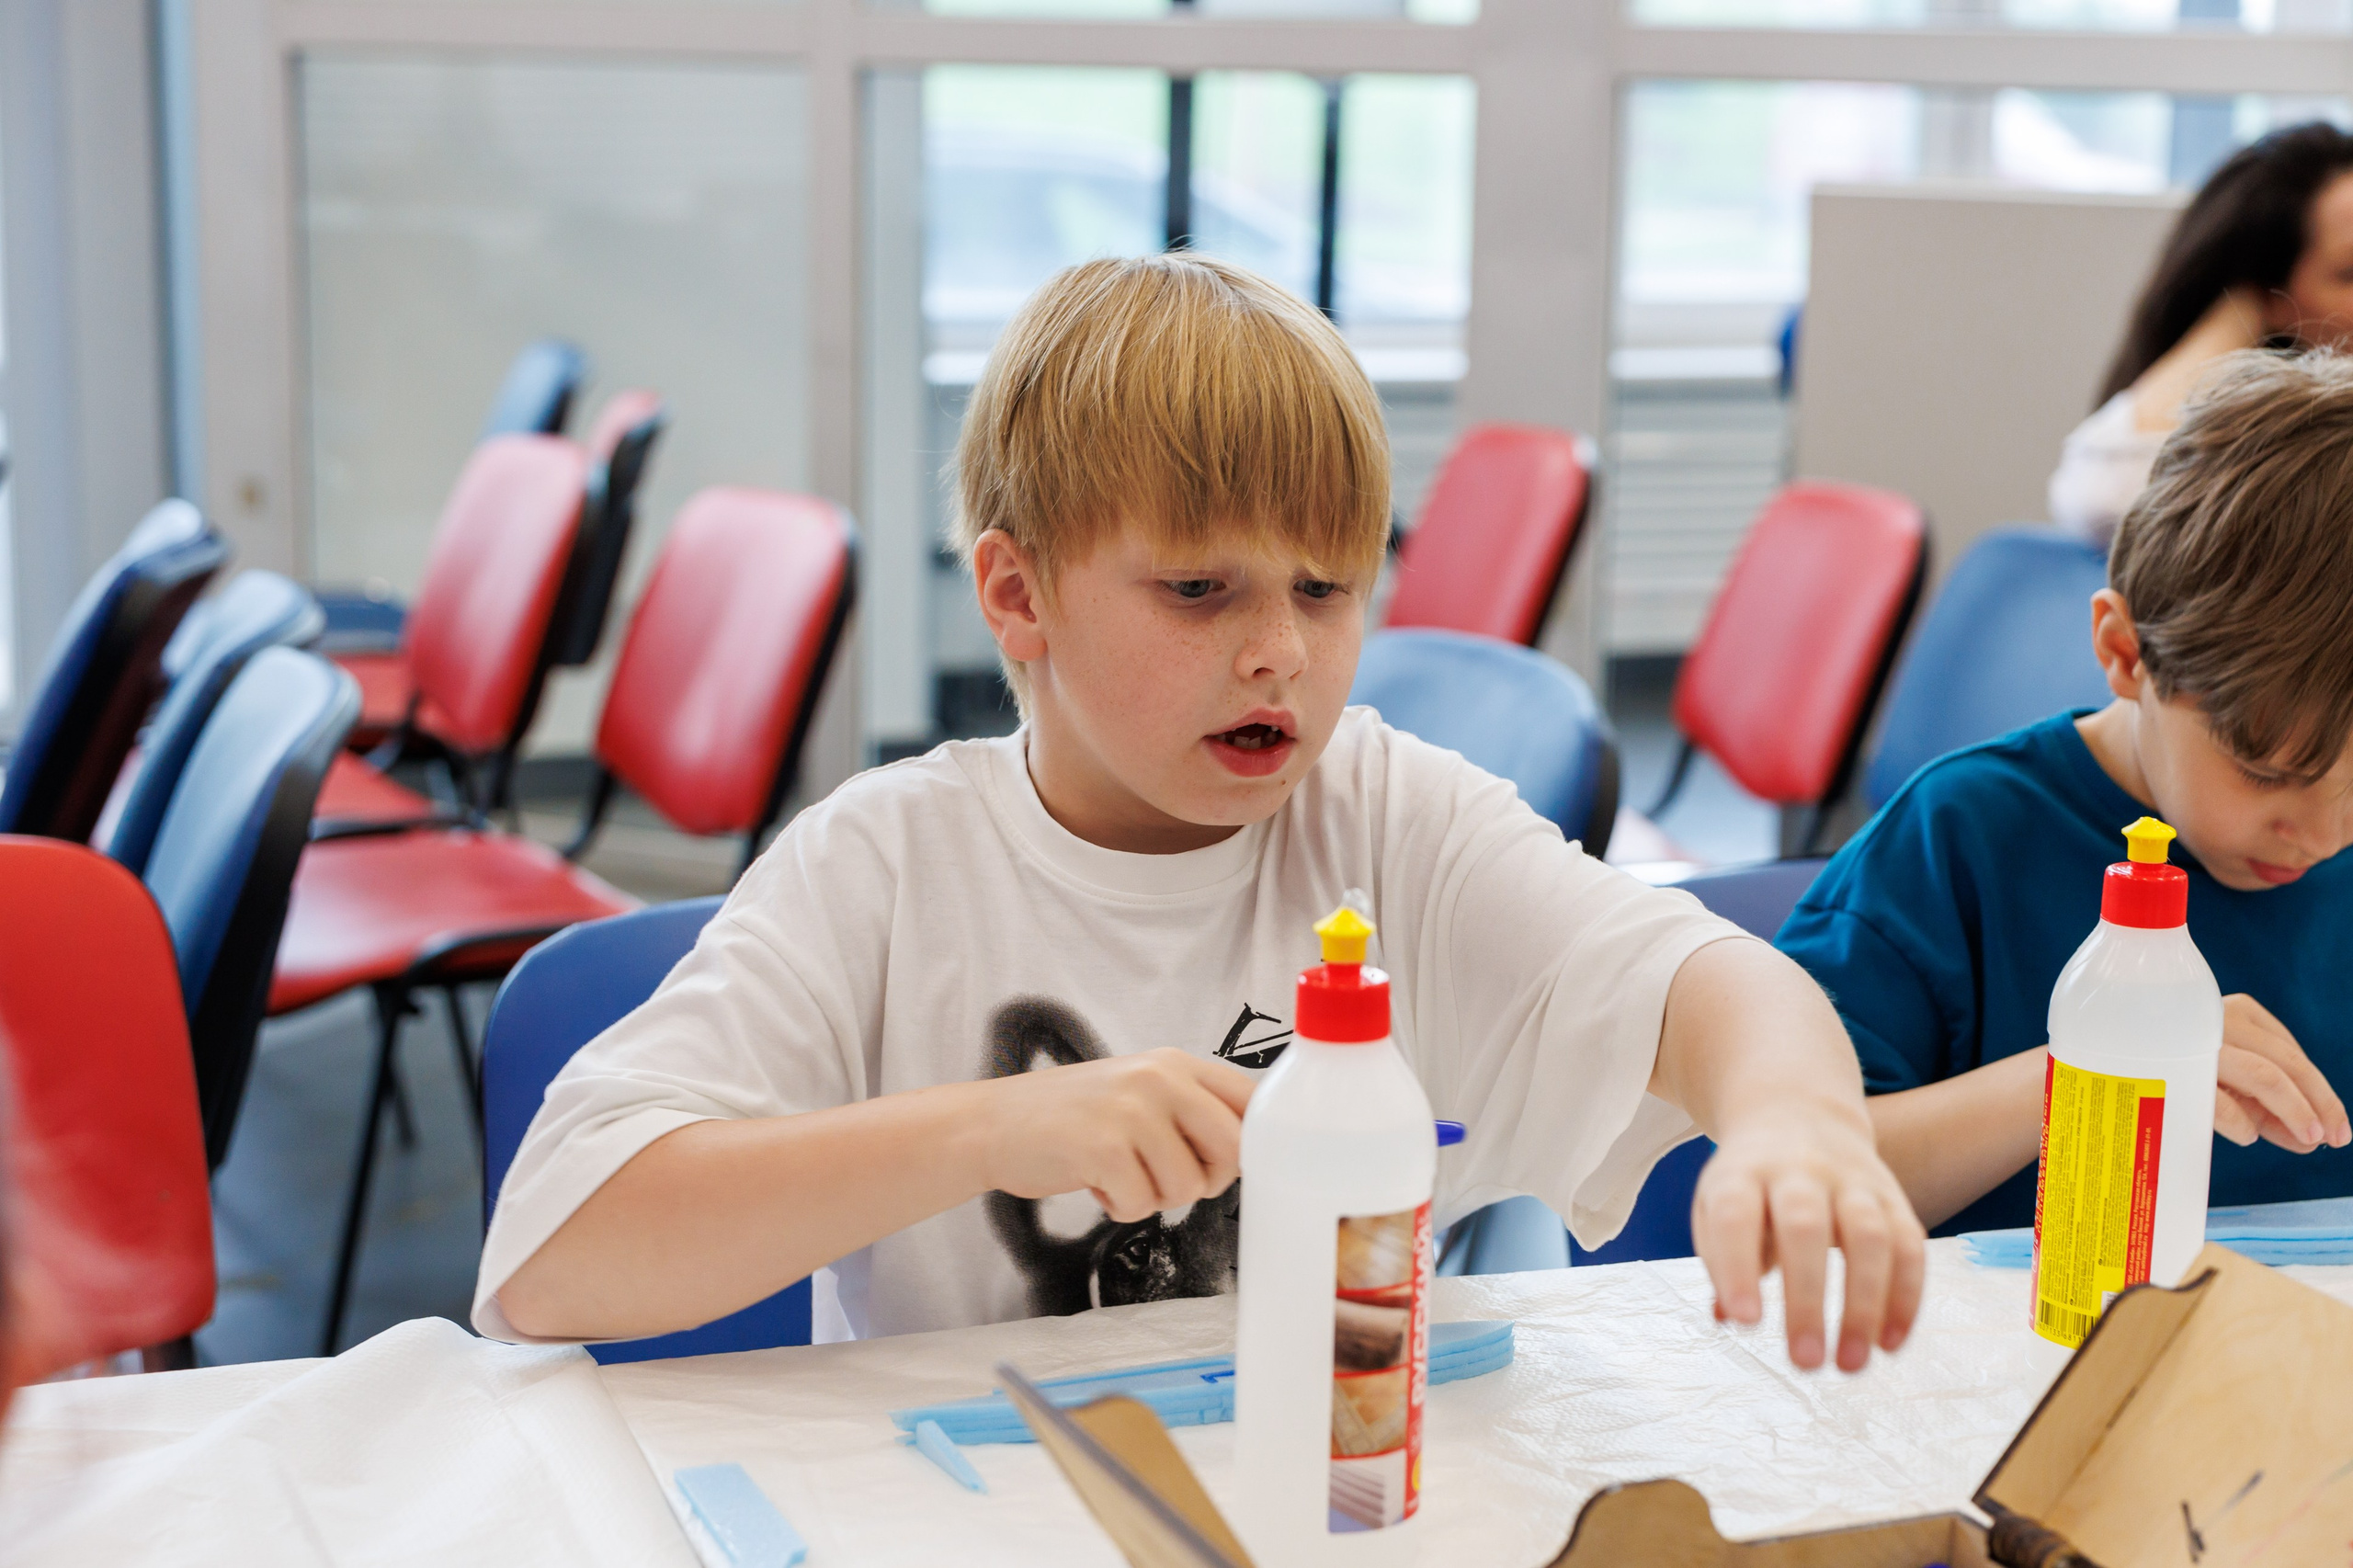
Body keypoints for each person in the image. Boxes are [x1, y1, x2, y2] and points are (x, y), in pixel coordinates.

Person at [478, 254, 1925, 1374]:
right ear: (1017, 593)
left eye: (1324, 588)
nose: (1279, 652)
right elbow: (552, 1255)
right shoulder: (886, 863)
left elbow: (1712, 979)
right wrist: (992, 1129)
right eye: (1198, 589)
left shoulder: (1391, 818)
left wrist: (1796, 1126)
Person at [1785, 349, 2353, 1235]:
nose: (2321, 836)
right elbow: (1791, 1178)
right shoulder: (1962, 841)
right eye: (2268, 771)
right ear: (2126, 654)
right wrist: (2089, 1073)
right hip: (2011, 1359)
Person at [2049, 121, 2353, 544]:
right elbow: (2105, 494)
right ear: (2274, 298)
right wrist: (2241, 307)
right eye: (2349, 273)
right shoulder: (2293, 458)